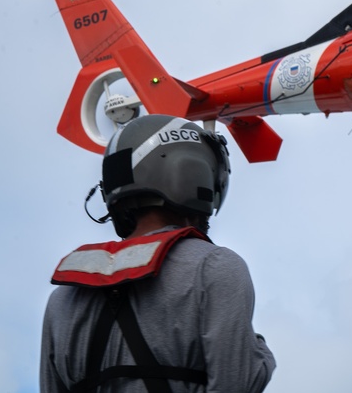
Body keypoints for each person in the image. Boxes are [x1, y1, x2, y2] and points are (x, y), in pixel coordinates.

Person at [41, 115, 275, 392]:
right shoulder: (215, 268)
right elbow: (237, 383)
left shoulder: (63, 300)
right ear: (193, 172)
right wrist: (260, 354)